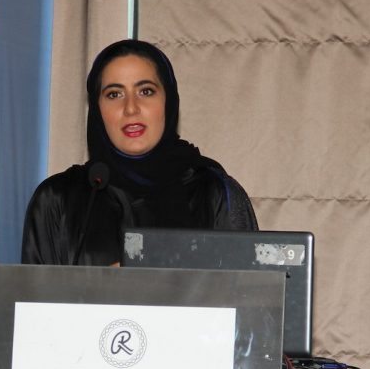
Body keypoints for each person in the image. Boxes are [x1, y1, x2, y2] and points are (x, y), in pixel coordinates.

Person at [21, 39, 257, 265]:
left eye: (146, 91)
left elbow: (248, 288)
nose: (131, 108)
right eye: (114, 94)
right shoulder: (58, 199)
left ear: (169, 100)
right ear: (97, 109)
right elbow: (34, 291)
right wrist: (102, 284)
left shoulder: (212, 192)